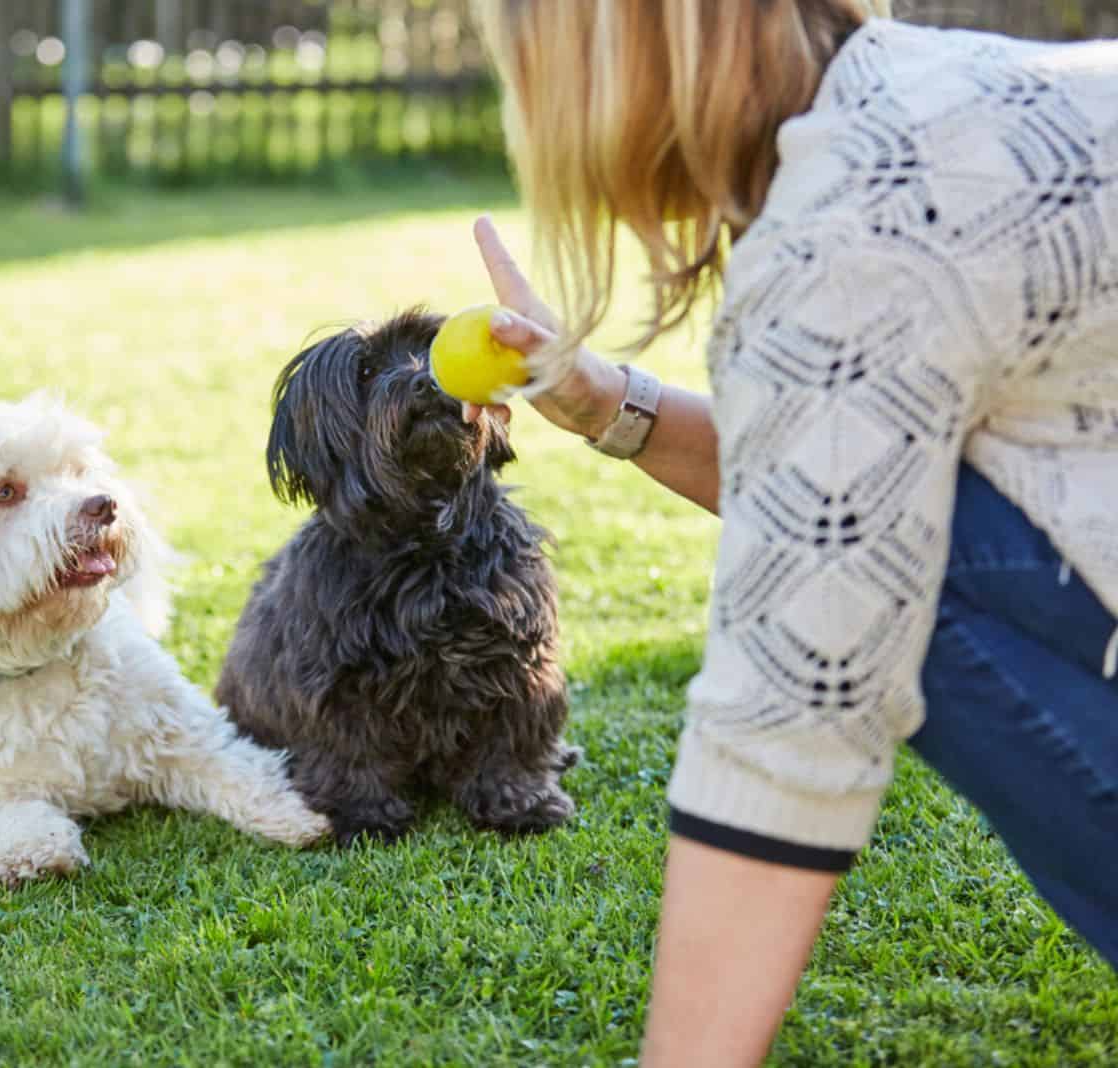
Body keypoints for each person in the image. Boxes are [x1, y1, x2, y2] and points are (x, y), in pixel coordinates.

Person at [462, 1, 1118, 1064]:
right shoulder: (933, 93)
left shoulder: (852, 215)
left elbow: (790, 714)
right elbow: (849, 459)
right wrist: (605, 405)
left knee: (892, 572)